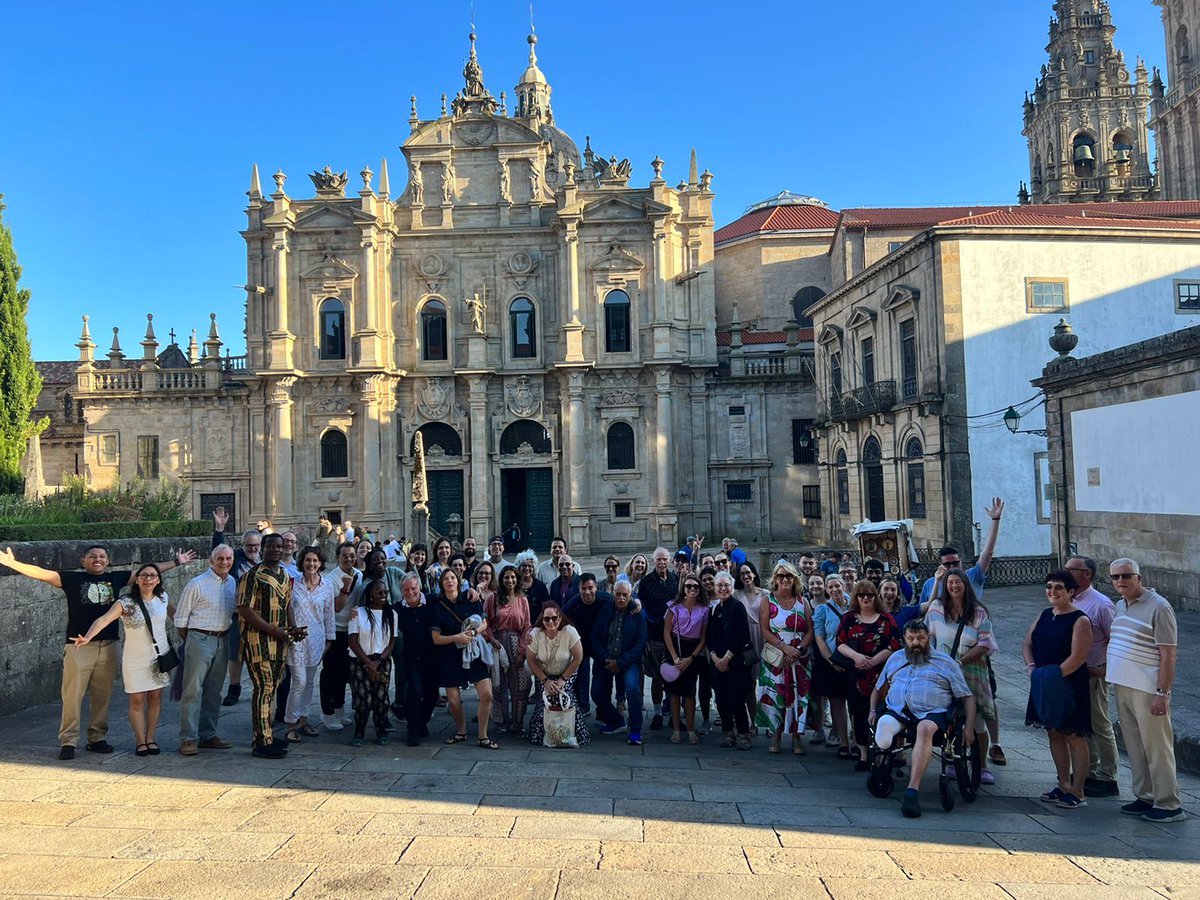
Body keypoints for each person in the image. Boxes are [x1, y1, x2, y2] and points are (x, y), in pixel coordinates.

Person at [0, 543, 195, 760]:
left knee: (102, 695)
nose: (98, 559)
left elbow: (149, 571)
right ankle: (69, 740)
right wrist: (13, 563)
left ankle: (97, 738)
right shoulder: (73, 579)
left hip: (110, 645)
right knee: (73, 695)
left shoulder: (116, 579)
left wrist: (176, 562)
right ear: (83, 561)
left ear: (108, 560)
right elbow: (44, 574)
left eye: (102, 556)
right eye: (92, 556)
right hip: (79, 645)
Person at [870, 619, 976, 819]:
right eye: (910, 638)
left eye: (920, 638)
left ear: (929, 638)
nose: (915, 643)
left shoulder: (946, 663)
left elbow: (967, 697)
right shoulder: (896, 658)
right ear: (904, 640)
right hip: (899, 711)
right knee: (883, 727)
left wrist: (969, 727)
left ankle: (912, 789)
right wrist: (872, 711)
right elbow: (878, 688)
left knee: (925, 729)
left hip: (932, 713)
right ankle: (883, 757)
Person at [1106, 558, 1183, 822]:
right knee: (1135, 746)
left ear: (1139, 577)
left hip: (1148, 688)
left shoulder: (1159, 608)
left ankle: (1168, 803)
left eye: (1126, 576)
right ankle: (1145, 796)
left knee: (1157, 746)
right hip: (1123, 685)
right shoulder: (1119, 605)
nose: (1120, 581)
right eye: (1115, 577)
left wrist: (1163, 693)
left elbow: (1169, 655)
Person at [72, 563, 174, 757]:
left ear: (158, 579)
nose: (148, 579)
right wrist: (88, 637)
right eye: (144, 575)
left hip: (158, 655)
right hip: (135, 657)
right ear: (137, 579)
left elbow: (176, 615)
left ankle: (151, 738)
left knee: (155, 697)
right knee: (137, 699)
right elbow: (104, 619)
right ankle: (140, 741)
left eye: (153, 575)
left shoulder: (163, 598)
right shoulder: (126, 602)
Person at [1023, 569, 1093, 810]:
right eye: (1049, 586)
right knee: (1054, 733)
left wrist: (1052, 677)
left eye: (1058, 587)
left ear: (1071, 592)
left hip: (1069, 685)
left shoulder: (1080, 620)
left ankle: (1078, 790)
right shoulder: (1044, 614)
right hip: (1044, 681)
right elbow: (1027, 643)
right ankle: (1062, 783)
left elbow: (1078, 656)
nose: (1052, 591)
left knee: (1074, 735)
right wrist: (1033, 668)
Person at [924, 567, 999, 785]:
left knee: (976, 721)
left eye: (958, 583)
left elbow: (986, 643)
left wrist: (961, 661)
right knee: (948, 717)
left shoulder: (978, 612)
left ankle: (982, 766)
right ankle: (950, 760)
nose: (954, 586)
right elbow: (927, 636)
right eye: (950, 583)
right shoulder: (937, 608)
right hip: (944, 670)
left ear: (965, 585)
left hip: (972, 670)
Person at [237, 533, 299, 759]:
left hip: (280, 642)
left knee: (271, 689)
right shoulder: (252, 576)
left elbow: (288, 603)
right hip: (257, 641)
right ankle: (261, 741)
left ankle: (268, 735)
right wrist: (273, 630)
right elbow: (244, 609)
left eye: (279, 547)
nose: (275, 550)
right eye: (271, 546)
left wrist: (292, 629)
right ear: (263, 549)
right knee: (263, 688)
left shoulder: (284, 574)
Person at [1063, 556, 1119, 799]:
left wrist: (1103, 669)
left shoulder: (1100, 604)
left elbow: (1114, 640)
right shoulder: (1068, 599)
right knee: (1080, 725)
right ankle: (1089, 770)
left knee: (1100, 724)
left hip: (1093, 673)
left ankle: (1108, 776)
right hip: (1072, 673)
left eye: (1071, 569)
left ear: (1087, 574)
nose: (1065, 572)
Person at [174, 545, 238, 755]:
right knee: (192, 690)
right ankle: (188, 738)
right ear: (212, 560)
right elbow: (181, 618)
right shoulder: (197, 584)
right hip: (200, 637)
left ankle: (208, 735)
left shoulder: (232, 583)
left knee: (214, 691)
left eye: (228, 558)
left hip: (223, 639)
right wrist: (193, 639)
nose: (225, 562)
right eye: (220, 558)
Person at [836, 579, 901, 771]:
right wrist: (857, 657)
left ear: (876, 597)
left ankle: (883, 752)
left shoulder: (886, 619)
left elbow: (895, 644)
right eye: (861, 595)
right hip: (856, 674)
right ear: (856, 597)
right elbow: (840, 642)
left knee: (883, 714)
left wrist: (873, 661)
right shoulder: (848, 618)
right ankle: (863, 754)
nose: (865, 598)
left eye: (870, 595)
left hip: (880, 674)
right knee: (858, 713)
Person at [431, 568, 498, 749]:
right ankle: (461, 731)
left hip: (473, 652)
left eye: (453, 578)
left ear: (459, 582)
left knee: (487, 694)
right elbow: (436, 639)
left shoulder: (471, 598)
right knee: (453, 700)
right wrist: (457, 638)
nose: (450, 581)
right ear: (441, 583)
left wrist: (475, 632)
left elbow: (485, 623)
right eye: (446, 579)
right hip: (450, 654)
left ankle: (483, 735)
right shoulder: (437, 606)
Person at [756, 560, 813, 754]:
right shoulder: (767, 600)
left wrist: (799, 648)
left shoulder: (802, 601)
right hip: (777, 654)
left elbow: (811, 630)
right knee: (776, 695)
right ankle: (776, 735)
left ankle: (797, 737)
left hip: (799, 657)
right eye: (781, 576)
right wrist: (784, 647)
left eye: (789, 576)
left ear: (795, 579)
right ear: (775, 579)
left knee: (797, 697)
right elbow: (764, 630)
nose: (785, 579)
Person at [284, 547, 337, 742]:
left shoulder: (327, 585)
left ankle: (303, 720)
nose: (311, 564)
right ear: (302, 562)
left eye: (315, 560)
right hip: (297, 637)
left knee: (309, 682)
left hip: (316, 638)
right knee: (299, 681)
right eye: (308, 560)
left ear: (321, 563)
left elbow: (329, 613)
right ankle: (290, 723)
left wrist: (330, 639)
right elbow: (287, 607)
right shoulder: (292, 583)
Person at [211, 507, 260, 707]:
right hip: (237, 614)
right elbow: (219, 551)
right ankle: (234, 688)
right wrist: (219, 529)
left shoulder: (266, 560)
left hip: (260, 615)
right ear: (243, 545)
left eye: (256, 545)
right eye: (249, 545)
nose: (253, 549)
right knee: (235, 654)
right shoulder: (236, 557)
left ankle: (260, 688)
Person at [591, 578, 648, 744]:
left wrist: (621, 662)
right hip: (607, 658)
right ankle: (616, 721)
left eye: (625, 595)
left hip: (629, 661)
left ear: (631, 595)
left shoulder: (637, 613)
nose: (621, 598)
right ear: (613, 595)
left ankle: (636, 729)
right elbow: (595, 636)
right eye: (618, 594)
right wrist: (606, 658)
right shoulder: (606, 610)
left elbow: (641, 643)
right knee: (596, 691)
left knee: (632, 689)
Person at [918, 498, 1004, 607]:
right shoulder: (930, 584)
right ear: (940, 564)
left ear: (961, 561)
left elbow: (988, 552)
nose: (953, 567)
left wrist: (995, 519)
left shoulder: (973, 576)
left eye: (955, 563)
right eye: (947, 565)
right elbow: (923, 610)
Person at [526, 603, 590, 747]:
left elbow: (579, 657)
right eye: (546, 619)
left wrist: (563, 679)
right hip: (544, 674)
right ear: (542, 620)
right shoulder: (536, 634)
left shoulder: (569, 631)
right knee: (546, 699)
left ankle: (572, 734)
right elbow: (531, 660)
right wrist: (545, 681)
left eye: (554, 618)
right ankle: (544, 735)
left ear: (560, 618)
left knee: (564, 697)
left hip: (567, 671)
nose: (551, 622)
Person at [347, 579, 397, 746]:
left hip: (381, 660)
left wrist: (380, 660)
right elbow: (352, 640)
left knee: (381, 699)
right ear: (369, 595)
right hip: (360, 660)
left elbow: (392, 641)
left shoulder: (392, 614)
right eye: (379, 592)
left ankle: (381, 731)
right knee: (364, 698)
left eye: (385, 593)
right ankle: (359, 732)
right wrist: (368, 662)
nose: (383, 595)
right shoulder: (358, 613)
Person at [708, 571, 754, 750]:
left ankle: (744, 735)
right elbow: (710, 636)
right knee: (721, 699)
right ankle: (728, 733)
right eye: (719, 585)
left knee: (737, 699)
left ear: (732, 587)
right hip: (717, 662)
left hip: (734, 662)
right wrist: (715, 658)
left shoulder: (737, 607)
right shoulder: (715, 608)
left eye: (726, 585)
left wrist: (726, 658)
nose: (723, 588)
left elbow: (741, 635)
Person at [663, 573, 710, 744]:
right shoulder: (673, 607)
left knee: (689, 692)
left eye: (695, 587)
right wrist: (675, 657)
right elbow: (666, 633)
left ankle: (690, 730)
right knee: (674, 692)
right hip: (675, 647)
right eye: (688, 586)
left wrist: (691, 658)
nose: (692, 589)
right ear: (683, 589)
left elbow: (704, 638)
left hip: (693, 650)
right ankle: (676, 730)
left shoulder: (704, 609)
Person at [319, 542, 360, 732]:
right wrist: (345, 588)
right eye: (345, 555)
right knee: (330, 673)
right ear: (338, 557)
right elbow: (336, 607)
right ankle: (327, 712)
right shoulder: (331, 579)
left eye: (352, 555)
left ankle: (339, 708)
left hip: (350, 631)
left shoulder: (358, 574)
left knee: (344, 672)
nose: (349, 559)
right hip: (334, 631)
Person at [486, 565, 532, 735]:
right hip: (498, 644)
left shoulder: (523, 600)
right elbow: (486, 623)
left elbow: (527, 625)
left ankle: (517, 721)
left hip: (516, 643)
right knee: (499, 685)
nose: (510, 580)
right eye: (506, 577)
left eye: (513, 577)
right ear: (501, 579)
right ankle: (500, 721)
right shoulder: (493, 598)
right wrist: (491, 638)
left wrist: (522, 650)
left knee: (522, 684)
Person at [809, 573, 850, 758]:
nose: (834, 590)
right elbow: (820, 638)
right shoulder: (822, 610)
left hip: (856, 660)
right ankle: (843, 740)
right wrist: (831, 661)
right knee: (837, 701)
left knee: (856, 704)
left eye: (837, 586)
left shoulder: (854, 605)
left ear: (844, 585)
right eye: (830, 587)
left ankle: (857, 740)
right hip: (833, 660)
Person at [395, 573, 438, 746]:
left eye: (413, 588)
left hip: (432, 657)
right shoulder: (397, 608)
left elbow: (453, 596)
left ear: (419, 587)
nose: (410, 592)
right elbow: (378, 613)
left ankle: (422, 722)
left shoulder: (432, 600)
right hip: (411, 657)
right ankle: (412, 728)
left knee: (432, 695)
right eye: (406, 589)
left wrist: (470, 591)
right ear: (401, 591)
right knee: (415, 691)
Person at [638, 547, 679, 730]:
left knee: (672, 677)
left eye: (665, 559)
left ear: (669, 561)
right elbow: (642, 608)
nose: (662, 563)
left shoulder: (676, 580)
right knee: (656, 677)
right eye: (659, 560)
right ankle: (656, 713)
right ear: (653, 561)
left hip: (673, 637)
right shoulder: (646, 582)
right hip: (654, 636)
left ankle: (671, 712)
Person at [564, 573, 611, 719]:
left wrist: (636, 604)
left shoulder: (606, 599)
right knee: (581, 674)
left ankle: (604, 709)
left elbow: (624, 603)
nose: (587, 592)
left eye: (590, 588)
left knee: (602, 678)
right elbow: (560, 615)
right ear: (579, 589)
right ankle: (583, 706)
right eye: (583, 589)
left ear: (596, 587)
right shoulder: (575, 601)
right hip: (581, 643)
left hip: (600, 644)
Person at [514, 551, 550, 625]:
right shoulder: (514, 585)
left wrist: (536, 625)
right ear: (519, 567)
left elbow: (545, 607)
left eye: (530, 566)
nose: (527, 568)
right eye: (524, 566)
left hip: (537, 625)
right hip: (516, 625)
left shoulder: (540, 586)